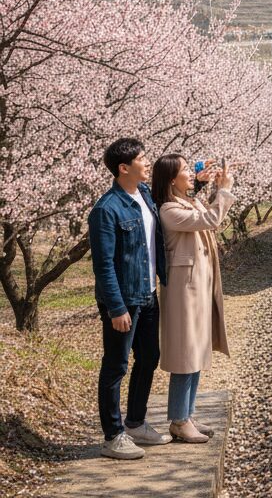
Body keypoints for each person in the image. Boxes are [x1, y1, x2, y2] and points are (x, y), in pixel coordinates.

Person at [88, 138, 170, 459]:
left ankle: (136, 422)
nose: (147, 162)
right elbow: (103, 264)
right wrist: (115, 307)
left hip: (148, 294)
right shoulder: (106, 210)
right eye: (141, 158)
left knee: (149, 357)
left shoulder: (145, 195)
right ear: (124, 168)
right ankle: (113, 435)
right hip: (124, 300)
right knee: (116, 366)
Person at [150, 154, 234, 443]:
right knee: (186, 356)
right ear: (171, 179)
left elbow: (202, 209)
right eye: (185, 170)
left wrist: (202, 186)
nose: (190, 172)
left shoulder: (183, 201)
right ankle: (178, 420)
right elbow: (210, 219)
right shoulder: (169, 210)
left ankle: (187, 414)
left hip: (196, 288)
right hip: (183, 292)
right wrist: (223, 191)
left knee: (197, 352)